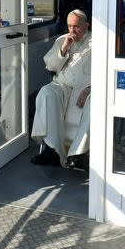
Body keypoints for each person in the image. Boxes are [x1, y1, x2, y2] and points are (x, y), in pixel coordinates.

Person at [30, 10, 91, 169]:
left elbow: (106, 72)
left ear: (86, 25)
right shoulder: (61, 40)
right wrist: (63, 49)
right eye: (70, 26)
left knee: (94, 102)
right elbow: (50, 66)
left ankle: (77, 154)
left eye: (76, 27)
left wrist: (90, 89)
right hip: (62, 86)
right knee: (47, 92)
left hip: (86, 89)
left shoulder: (98, 42)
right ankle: (52, 150)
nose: (72, 30)